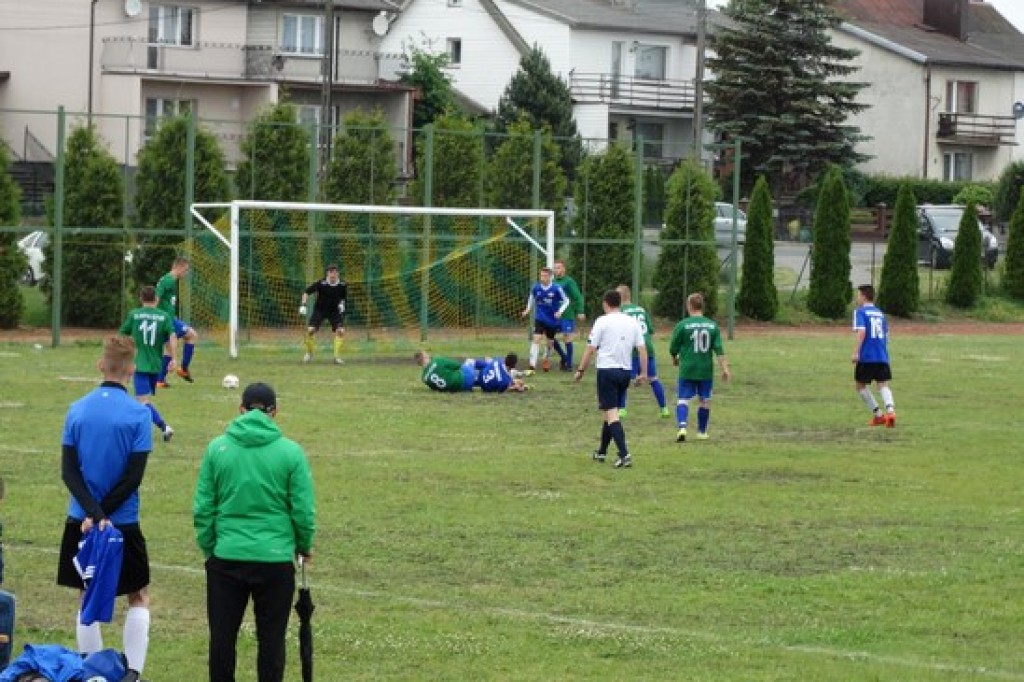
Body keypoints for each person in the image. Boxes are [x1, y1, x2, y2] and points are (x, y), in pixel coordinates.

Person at [193, 382, 316, 682]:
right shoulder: (290, 452)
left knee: (222, 640)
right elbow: (302, 509)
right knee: (272, 641)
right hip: (274, 560)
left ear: (241, 408)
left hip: (226, 557)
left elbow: (203, 508)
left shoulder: (217, 448)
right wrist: (303, 544)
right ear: (274, 412)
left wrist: (211, 548)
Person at [57, 336, 153, 680]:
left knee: (87, 596)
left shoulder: (77, 409)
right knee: (138, 596)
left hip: (80, 519)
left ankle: (92, 673)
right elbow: (132, 478)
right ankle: (132, 674)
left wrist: (91, 514)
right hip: (122, 523)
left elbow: (69, 472)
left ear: (101, 364)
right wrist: (105, 515)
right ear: (131, 370)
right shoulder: (139, 415)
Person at [573, 289, 647, 469]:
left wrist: (581, 370)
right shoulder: (631, 322)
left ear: (606, 303)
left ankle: (624, 454)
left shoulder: (602, 321)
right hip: (625, 372)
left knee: (611, 414)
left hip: (607, 371)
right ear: (620, 303)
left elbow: (590, 348)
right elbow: (642, 349)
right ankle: (601, 452)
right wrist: (643, 373)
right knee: (609, 411)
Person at [668, 292, 730, 442]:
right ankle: (702, 432)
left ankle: (682, 427)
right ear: (702, 306)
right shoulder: (712, 326)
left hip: (687, 368)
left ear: (689, 306)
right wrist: (725, 369)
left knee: (682, 399)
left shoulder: (682, 325)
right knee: (705, 400)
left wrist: (675, 358)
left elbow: (673, 348)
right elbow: (719, 351)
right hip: (705, 370)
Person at [119, 286, 177, 442]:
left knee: (143, 402)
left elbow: (122, 335)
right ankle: (136, 429)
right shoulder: (164, 316)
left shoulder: (134, 315)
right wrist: (173, 358)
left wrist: (126, 354)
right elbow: (171, 337)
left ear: (141, 298)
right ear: (156, 299)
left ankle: (165, 427)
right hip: (157, 366)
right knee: (143, 402)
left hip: (140, 365)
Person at [616, 284, 669, 419]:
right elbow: (650, 330)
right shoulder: (641, 309)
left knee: (624, 380)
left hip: (632, 349)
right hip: (647, 347)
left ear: (619, 297)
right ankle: (664, 409)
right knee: (653, 379)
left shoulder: (620, 311)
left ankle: (622, 409)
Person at [852, 284, 896, 427]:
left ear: (864, 296)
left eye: (858, 295)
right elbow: (887, 336)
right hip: (882, 355)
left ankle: (878, 415)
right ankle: (890, 411)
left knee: (860, 385)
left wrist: (856, 351)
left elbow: (862, 332)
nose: (857, 298)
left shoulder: (860, 312)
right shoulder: (880, 313)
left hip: (867, 356)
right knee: (883, 384)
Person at [154, 255, 199, 387]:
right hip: (166, 320)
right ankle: (183, 369)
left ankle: (160, 380)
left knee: (168, 347)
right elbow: (156, 297)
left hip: (168, 318)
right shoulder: (167, 280)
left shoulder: (171, 280)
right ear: (179, 267)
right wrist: (153, 315)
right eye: (185, 270)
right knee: (192, 335)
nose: (185, 274)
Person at [520, 266, 570, 371]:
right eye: (541, 275)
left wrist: (560, 312)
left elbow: (566, 301)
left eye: (545, 276)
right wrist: (527, 309)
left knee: (550, 342)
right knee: (536, 339)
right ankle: (532, 365)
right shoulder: (536, 287)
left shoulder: (556, 288)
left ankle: (546, 359)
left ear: (550, 277)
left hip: (552, 320)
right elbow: (531, 297)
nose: (542, 278)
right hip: (540, 318)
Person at [299, 264, 348, 365]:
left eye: (334, 272)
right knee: (310, 331)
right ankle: (309, 353)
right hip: (319, 310)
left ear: (338, 273)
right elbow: (306, 292)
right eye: (330, 272)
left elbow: (343, 297)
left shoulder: (342, 285)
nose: (332, 274)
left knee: (341, 331)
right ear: (327, 273)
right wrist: (303, 305)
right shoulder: (321, 283)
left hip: (334, 311)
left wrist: (342, 304)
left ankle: (336, 357)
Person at [552, 259, 586, 371]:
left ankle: (569, 365)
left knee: (567, 338)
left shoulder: (569, 282)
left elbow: (578, 297)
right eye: (555, 267)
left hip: (567, 314)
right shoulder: (553, 282)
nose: (556, 270)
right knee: (550, 337)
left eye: (558, 267)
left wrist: (580, 310)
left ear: (563, 269)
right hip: (555, 315)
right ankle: (564, 357)